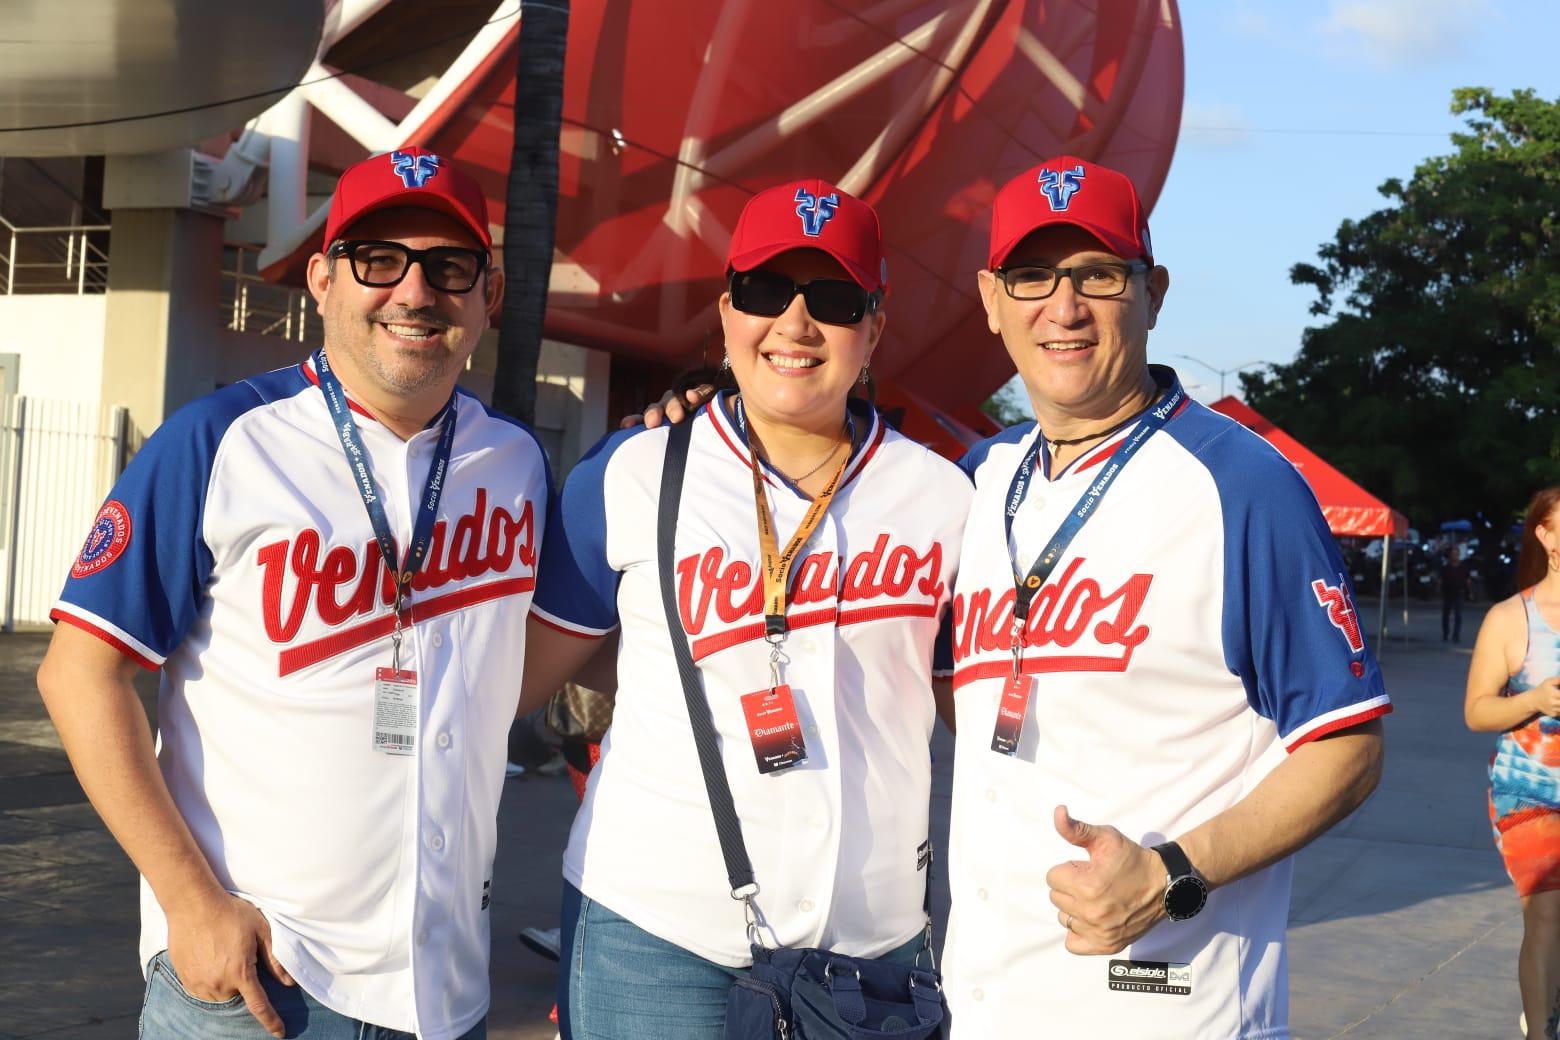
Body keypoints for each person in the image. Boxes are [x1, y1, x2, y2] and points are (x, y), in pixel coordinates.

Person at [35, 147, 549, 1040]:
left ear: (487, 295)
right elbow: (78, 675)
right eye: (378, 260)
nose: (414, 291)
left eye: (448, 266)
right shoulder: (221, 438)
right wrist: (190, 905)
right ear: (322, 278)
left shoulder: (518, 465)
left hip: (445, 986)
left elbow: (527, 662)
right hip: (258, 978)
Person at [935, 156, 1390, 1038]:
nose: (1063, 309)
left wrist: (1173, 871)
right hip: (988, 1000)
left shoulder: (1242, 485)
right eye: (1032, 277)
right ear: (991, 301)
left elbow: (1348, 748)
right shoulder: (975, 481)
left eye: (1099, 275)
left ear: (1154, 292)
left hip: (1171, 1007)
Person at [518, 179, 971, 1039]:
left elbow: (987, 715)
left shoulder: (946, 497)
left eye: (833, 301)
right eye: (766, 292)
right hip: (654, 935)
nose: (795, 325)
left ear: (873, 328)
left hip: (871, 947)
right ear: (726, 312)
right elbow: (509, 681)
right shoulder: (631, 473)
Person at [1464, 485, 1560, 1039]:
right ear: (1545, 536)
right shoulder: (1510, 618)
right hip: (1529, 790)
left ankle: (1544, 1002)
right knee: (1547, 911)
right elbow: (1476, 711)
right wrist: (1534, 700)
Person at [1443, 544, 1472, 642]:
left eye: (1457, 554)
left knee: (1458, 615)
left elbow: (1468, 580)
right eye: (1453, 554)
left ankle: (1456, 635)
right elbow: (1441, 580)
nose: (1455, 556)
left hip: (1459, 593)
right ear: (1450, 555)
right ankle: (1446, 633)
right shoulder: (1446, 567)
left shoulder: (1463, 567)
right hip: (1448, 594)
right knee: (1446, 615)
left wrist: (1470, 592)